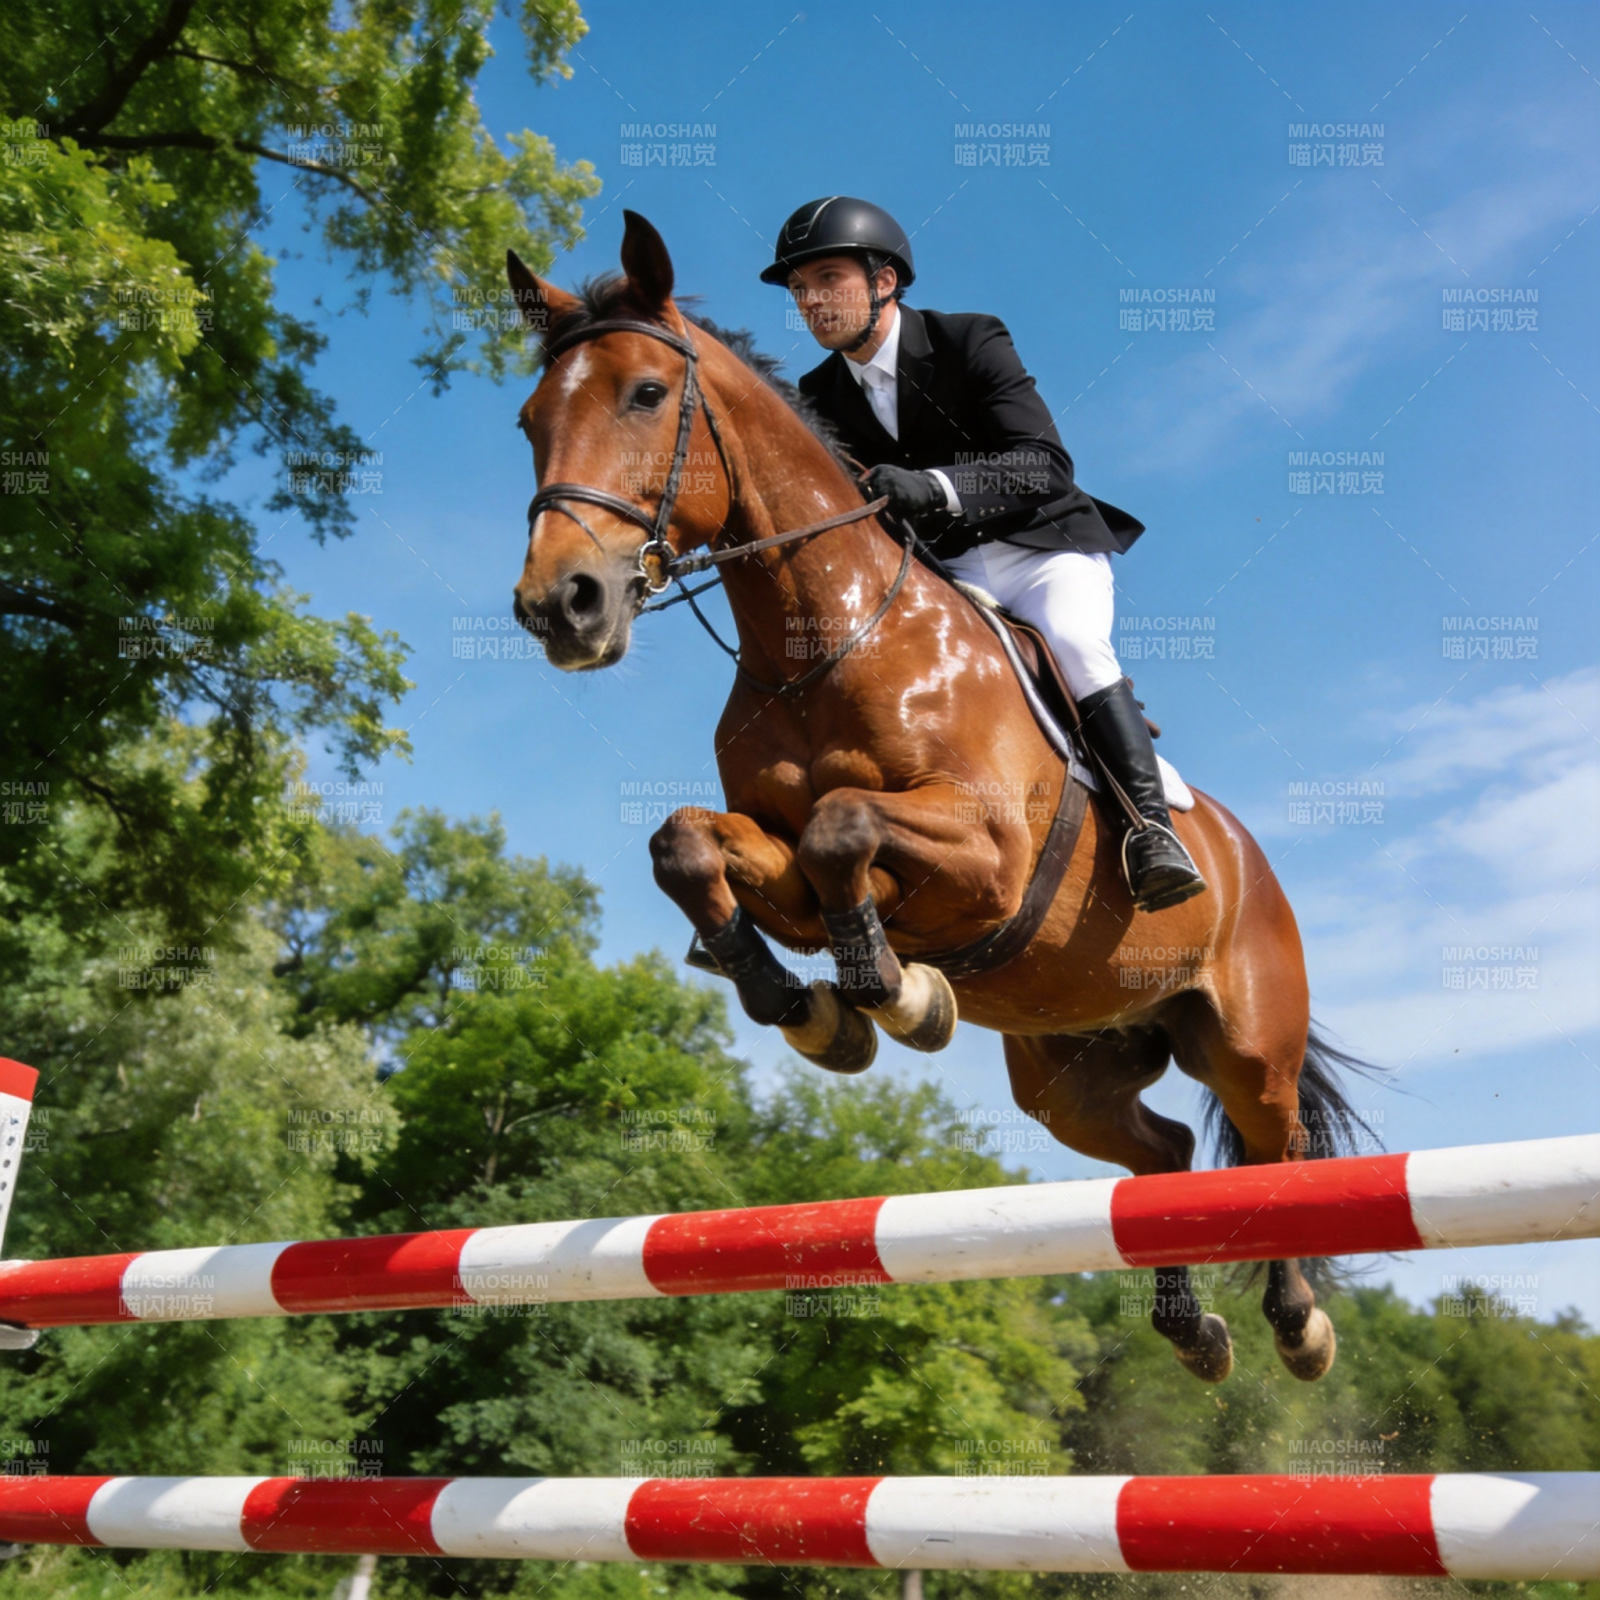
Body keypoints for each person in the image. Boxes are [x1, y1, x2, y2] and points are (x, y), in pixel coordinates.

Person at [763, 195, 1205, 913]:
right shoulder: (814, 396)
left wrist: (934, 488)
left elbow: (1043, 465)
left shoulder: (967, 338)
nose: (811, 300)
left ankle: (1150, 831)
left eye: (829, 278)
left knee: (1072, 642)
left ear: (884, 281)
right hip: (950, 574)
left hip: (1043, 548)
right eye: (800, 289)